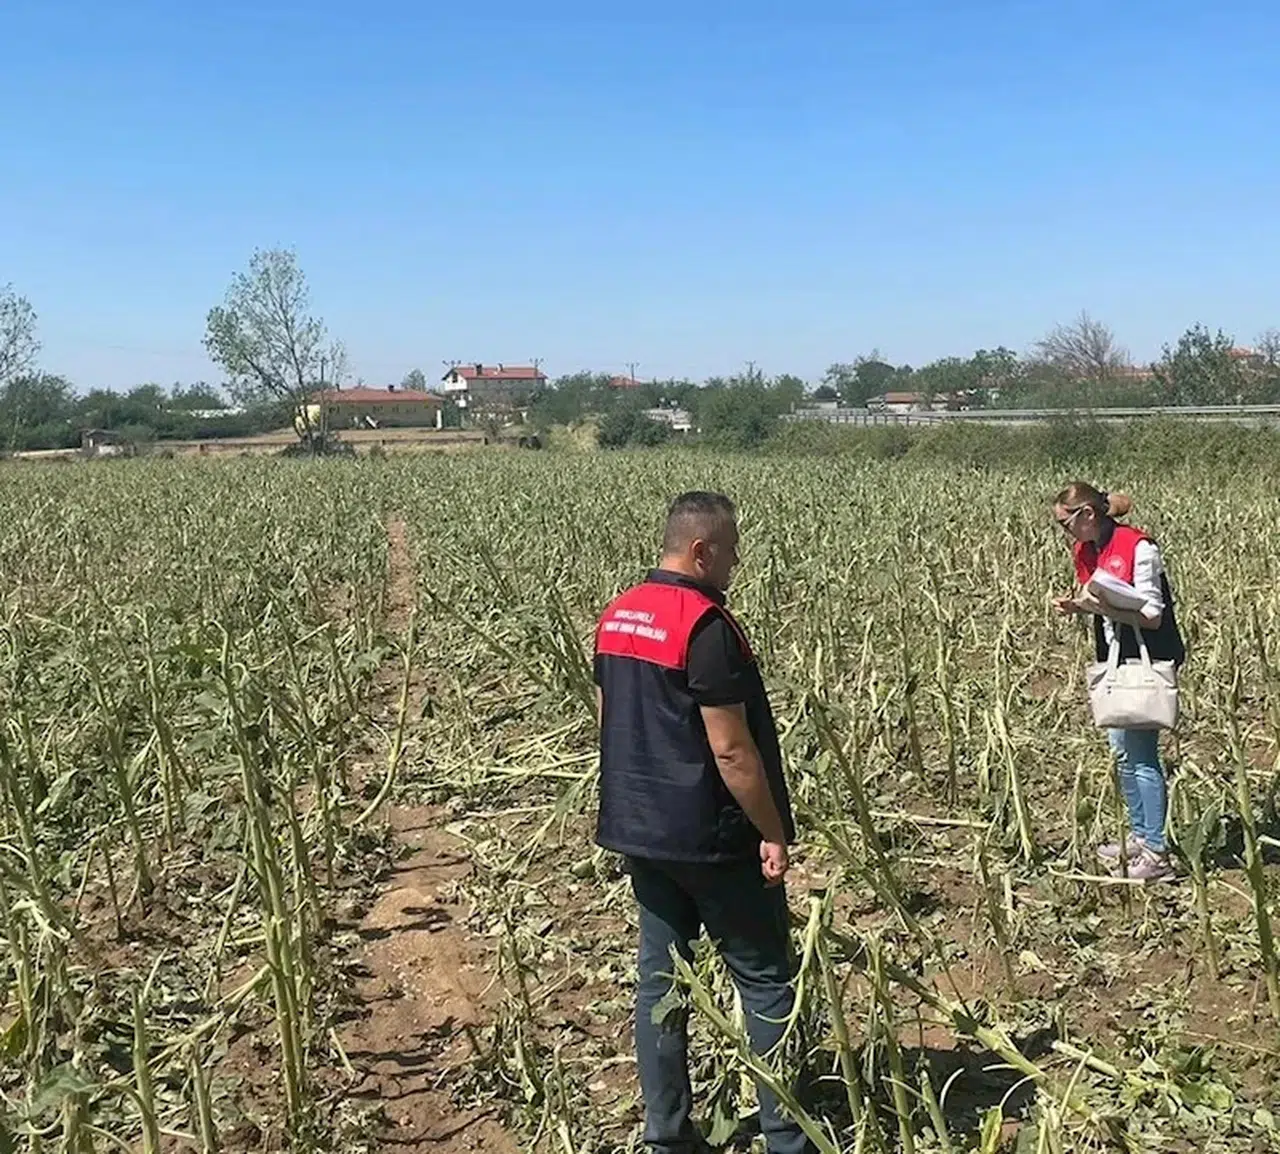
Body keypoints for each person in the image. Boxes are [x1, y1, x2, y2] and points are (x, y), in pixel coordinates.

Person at [593, 491, 812, 1154]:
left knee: (662, 983)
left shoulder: (617, 615)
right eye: (731, 550)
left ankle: (666, 1135)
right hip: (710, 838)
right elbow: (731, 750)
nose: (736, 562)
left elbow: (608, 721)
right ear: (701, 551)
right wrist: (772, 830)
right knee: (767, 981)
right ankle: (787, 1139)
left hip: (639, 829)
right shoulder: (706, 626)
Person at [1052, 482, 1186, 883]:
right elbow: (1103, 604)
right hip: (1114, 657)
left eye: (1065, 523)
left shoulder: (1140, 548)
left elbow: (1153, 617)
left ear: (1087, 515)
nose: (1064, 532)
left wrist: (1106, 606)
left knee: (1142, 754)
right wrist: (1080, 606)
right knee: (1122, 753)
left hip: (1148, 658)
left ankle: (1157, 854)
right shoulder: (1089, 549)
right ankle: (1141, 836)